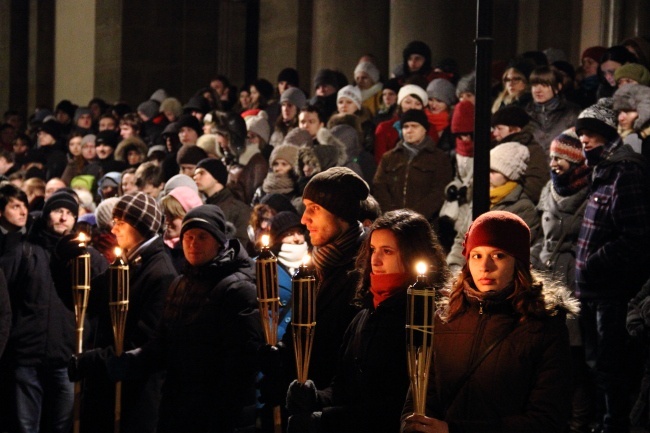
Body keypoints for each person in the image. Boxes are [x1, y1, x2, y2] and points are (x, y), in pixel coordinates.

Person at [401, 210, 578, 433]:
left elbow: (547, 419)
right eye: (477, 255)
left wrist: (452, 430)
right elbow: (422, 391)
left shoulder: (542, 325)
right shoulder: (447, 317)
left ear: (518, 262)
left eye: (498, 255)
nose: (485, 267)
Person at [285, 209, 450, 433]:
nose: (376, 259)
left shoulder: (423, 317)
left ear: (412, 254)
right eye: (372, 249)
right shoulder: (365, 315)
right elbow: (343, 387)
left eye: (388, 251)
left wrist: (325, 420)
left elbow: (401, 405)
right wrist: (315, 397)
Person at [258, 167, 370, 424]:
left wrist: (318, 397)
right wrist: (282, 356)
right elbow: (302, 326)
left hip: (334, 414)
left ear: (340, 213)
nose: (305, 219)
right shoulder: (316, 267)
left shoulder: (363, 268)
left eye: (314, 209)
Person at [574, 99, 650, 433]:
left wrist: (594, 263)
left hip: (611, 290)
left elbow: (636, 235)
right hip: (592, 288)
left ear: (606, 134)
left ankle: (612, 425)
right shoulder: (600, 169)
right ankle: (602, 422)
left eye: (590, 133)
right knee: (596, 365)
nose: (584, 141)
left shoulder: (625, 170)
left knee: (609, 366)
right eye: (581, 135)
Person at [530, 128, 592, 432]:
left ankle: (579, 422)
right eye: (552, 156)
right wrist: (535, 257)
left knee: (573, 358)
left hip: (574, 279)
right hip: (546, 276)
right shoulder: (548, 189)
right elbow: (541, 236)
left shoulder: (590, 191)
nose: (554, 163)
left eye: (562, 158)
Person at [373, 109, 453, 225]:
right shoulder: (389, 157)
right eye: (405, 127)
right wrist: (393, 215)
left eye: (414, 126)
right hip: (392, 223)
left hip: (425, 225)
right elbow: (379, 186)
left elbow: (439, 191)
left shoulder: (439, 158)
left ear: (424, 129)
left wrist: (414, 216)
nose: (409, 130)